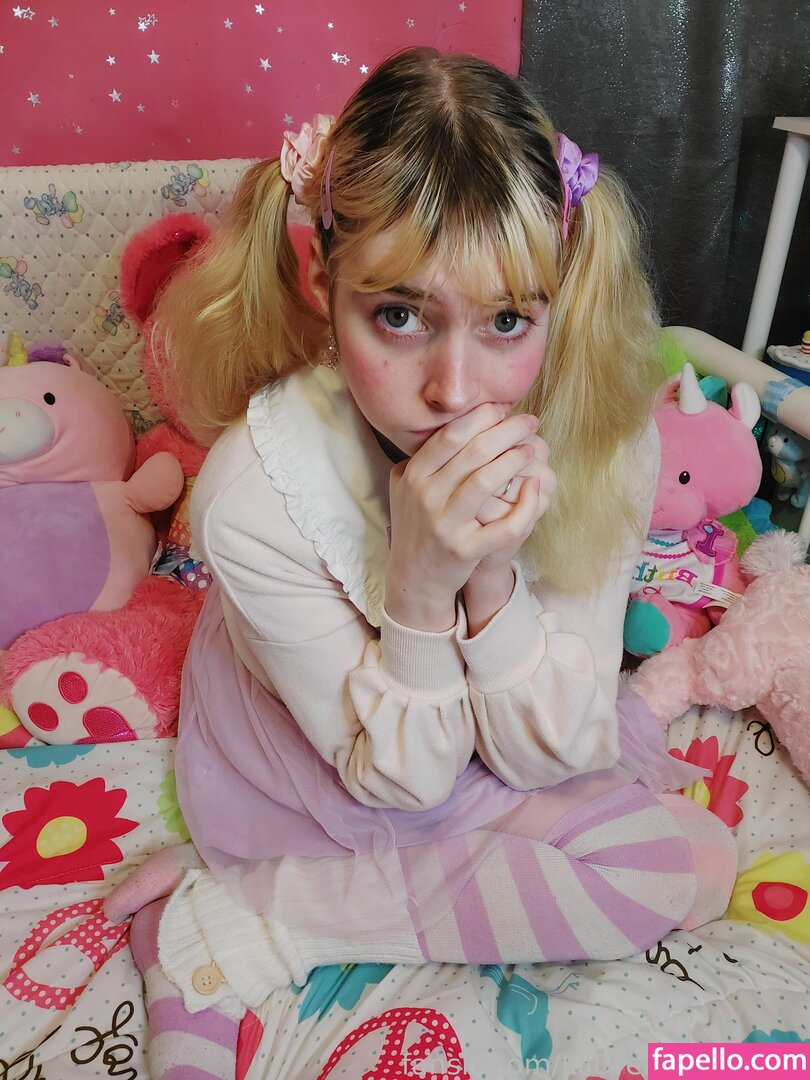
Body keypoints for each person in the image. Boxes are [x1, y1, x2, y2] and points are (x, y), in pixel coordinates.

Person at [104, 47, 737, 1080]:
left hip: (492, 732)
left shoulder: (607, 438)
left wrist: (490, 578)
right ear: (323, 283)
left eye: (507, 322)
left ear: (558, 295)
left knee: (701, 862)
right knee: (658, 869)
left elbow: (552, 751)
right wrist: (421, 583)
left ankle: (265, 907)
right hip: (329, 762)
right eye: (399, 316)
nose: (455, 389)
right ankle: (249, 916)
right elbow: (405, 781)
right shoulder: (253, 495)